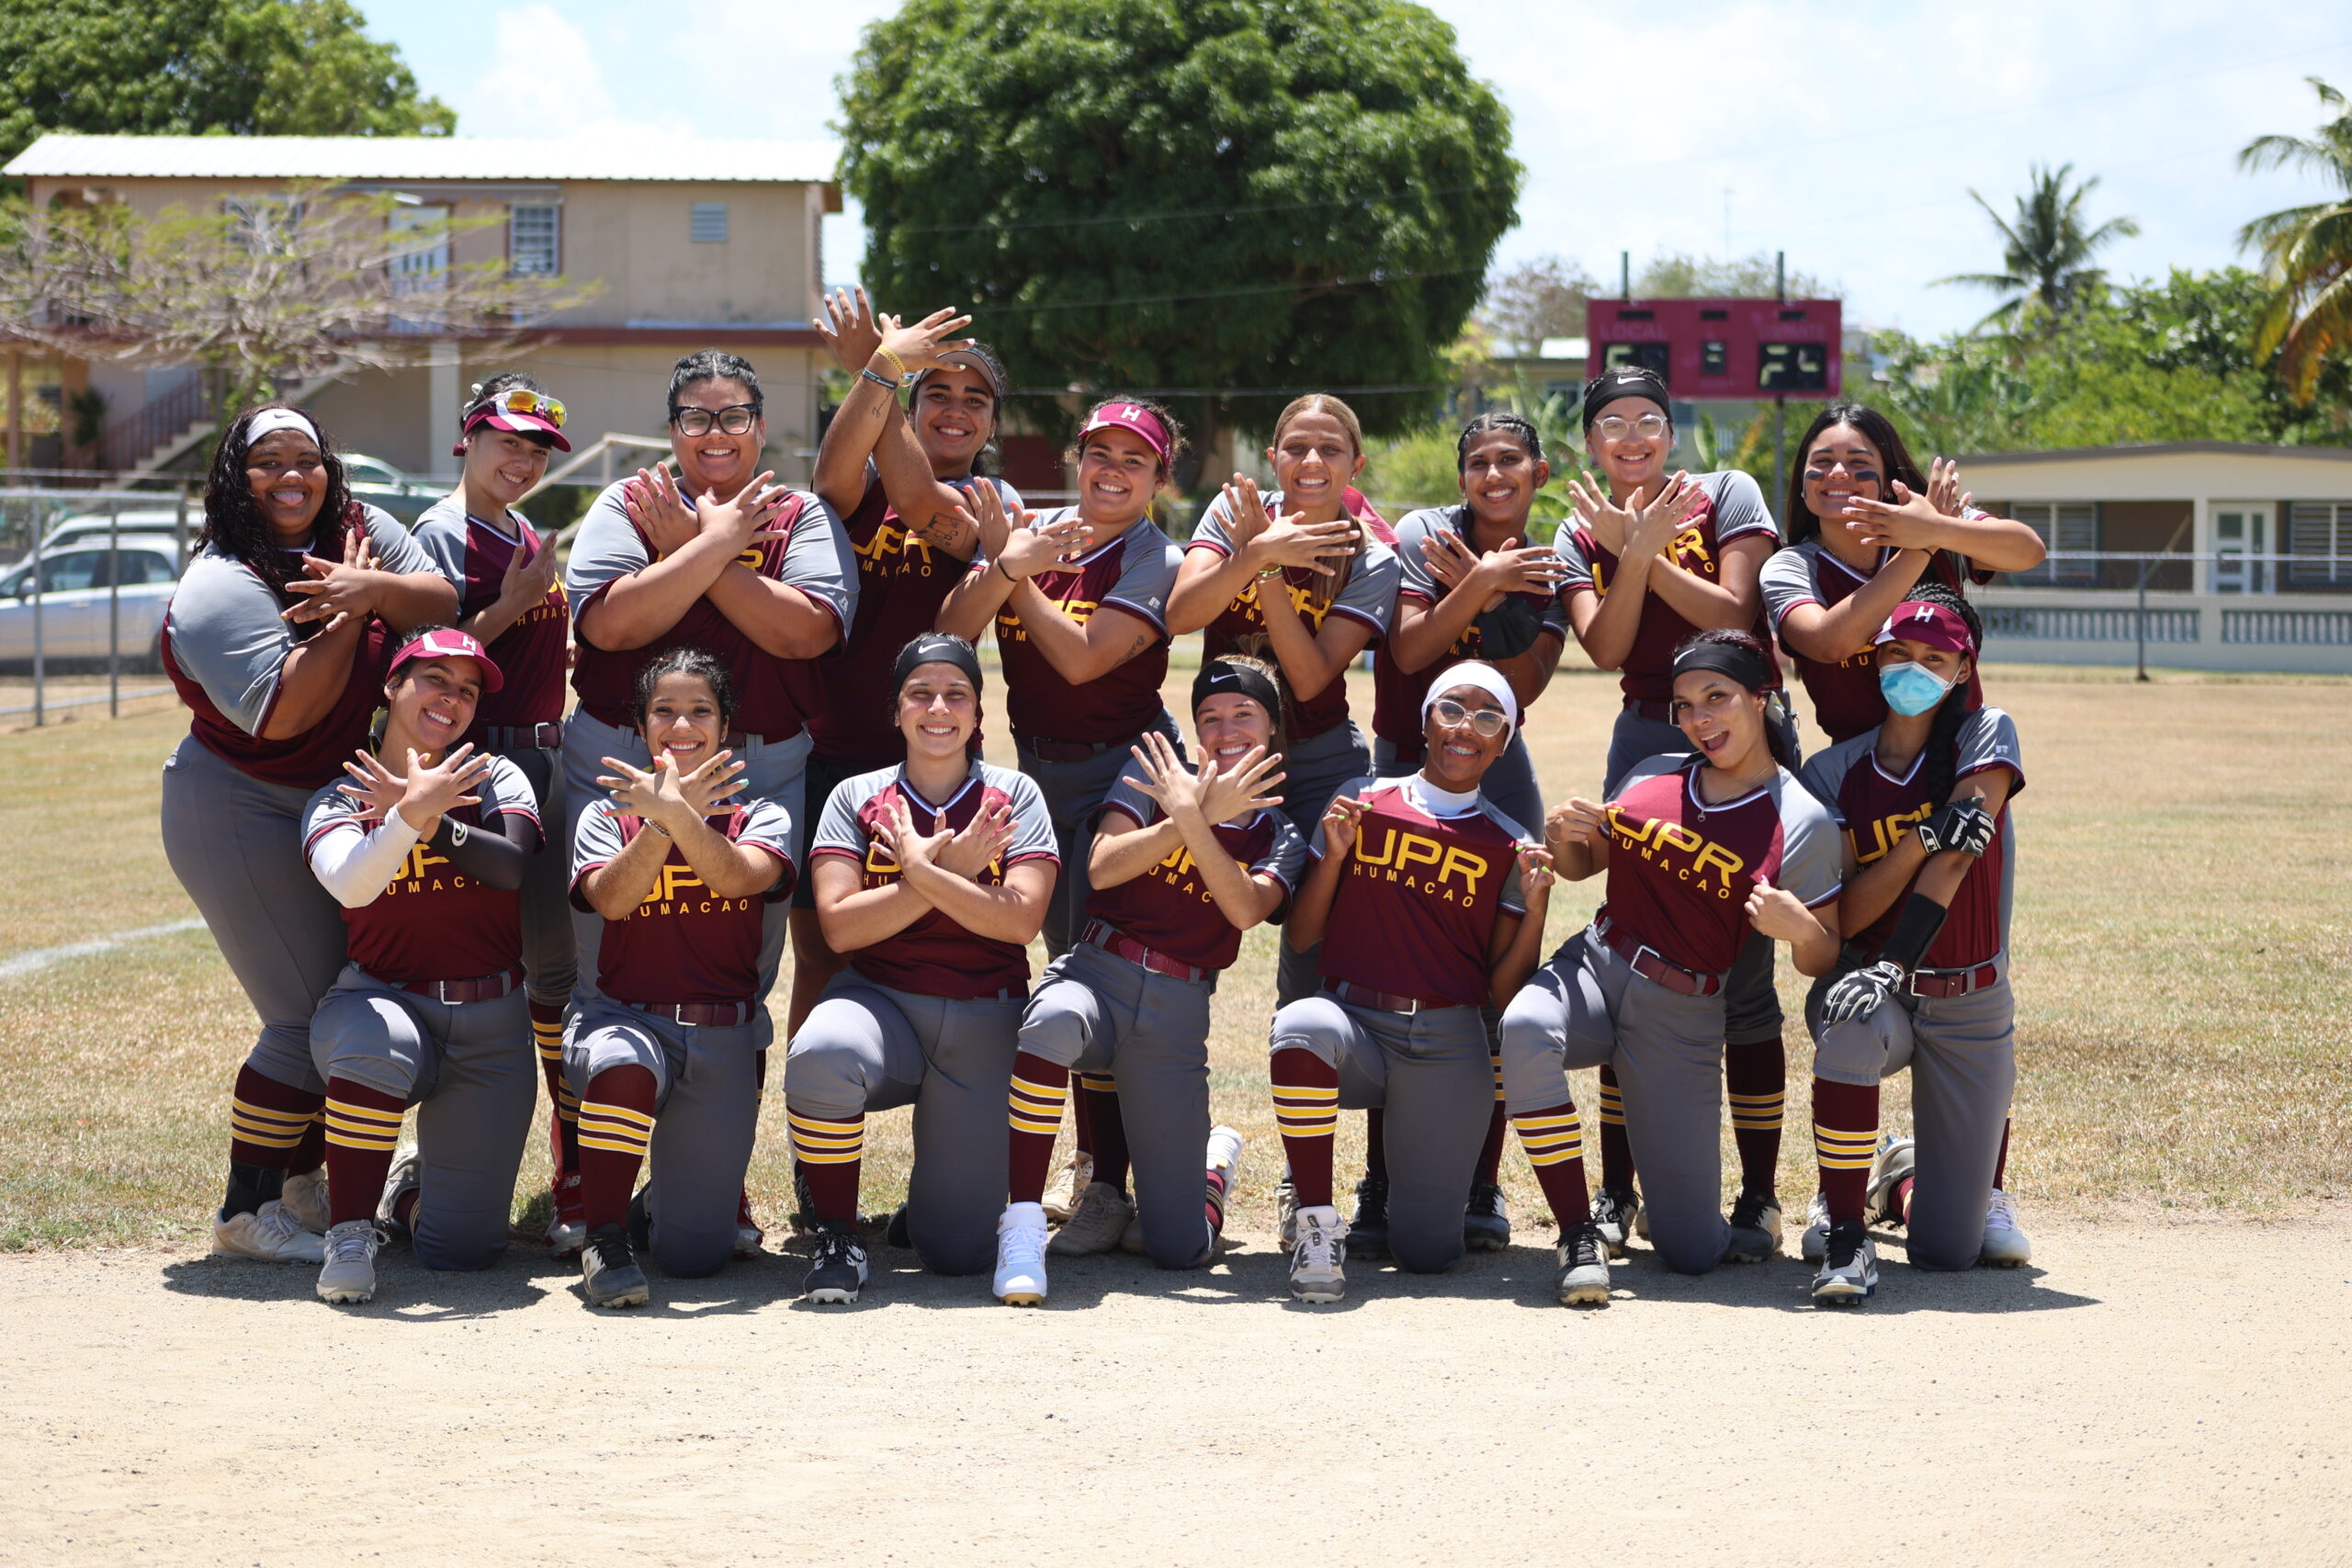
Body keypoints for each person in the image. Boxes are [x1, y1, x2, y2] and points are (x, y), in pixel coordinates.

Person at [563, 349, 855, 1255]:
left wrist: (697, 546)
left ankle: (713, 1180)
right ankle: (586, 1187)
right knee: (602, 973)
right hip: (624, 756)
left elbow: (805, 631)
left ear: (760, 427)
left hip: (757, 764)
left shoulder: (797, 513)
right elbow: (611, 623)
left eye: (733, 415)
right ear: (672, 429)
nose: (715, 432)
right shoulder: (627, 502)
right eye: (696, 416)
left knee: (739, 978)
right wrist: (719, 546)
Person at [161, 404, 457, 1265]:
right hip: (239, 801)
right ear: (234, 476)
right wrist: (353, 611)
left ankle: (300, 1183)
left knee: (338, 996)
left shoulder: (357, 525)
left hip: (323, 796)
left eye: (307, 458)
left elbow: (441, 597)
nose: (292, 477)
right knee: (304, 1014)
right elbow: (287, 712)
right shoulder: (218, 583)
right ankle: (244, 1209)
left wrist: (371, 589)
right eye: (268, 462)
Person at [1501, 630, 1844, 1300]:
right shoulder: (1654, 772)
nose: (1698, 719)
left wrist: (1800, 927)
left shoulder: (1801, 818)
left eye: (1716, 698)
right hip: (1598, 964)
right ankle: (1577, 1232)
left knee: (1690, 1254)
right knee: (1523, 1027)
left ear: (1761, 697)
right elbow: (1584, 865)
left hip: (1683, 1010)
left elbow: (1823, 953)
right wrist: (1561, 836)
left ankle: (1693, 1209)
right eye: (1685, 705)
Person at [1555, 366, 1792, 1265]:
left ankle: (1760, 1194)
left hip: (1739, 726)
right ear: (1590, 442)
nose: (1631, 436)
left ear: (1671, 430)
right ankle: (1617, 1192)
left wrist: (1645, 549)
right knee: (1637, 963)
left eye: (1648, 419)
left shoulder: (1724, 492)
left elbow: (1734, 615)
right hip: (1647, 733)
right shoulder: (1577, 524)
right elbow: (1607, 644)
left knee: (1745, 968)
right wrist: (1626, 548)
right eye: (1612, 422)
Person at [992, 655, 1303, 1303]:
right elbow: (1103, 866)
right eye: (1210, 717)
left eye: (1244, 714)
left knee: (1177, 1248)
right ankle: (1023, 1224)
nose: (1226, 730)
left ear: (1273, 726)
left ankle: (1209, 1169)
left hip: (1177, 1005)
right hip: (1097, 973)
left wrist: (1197, 819)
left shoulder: (1283, 829)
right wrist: (1188, 808)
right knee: (1050, 1021)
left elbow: (1244, 908)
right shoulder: (1156, 771)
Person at [1351, 412, 1572, 1257]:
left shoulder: (1553, 563)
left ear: (1539, 472)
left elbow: (1520, 687)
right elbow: (1411, 655)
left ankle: (1481, 1177)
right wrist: (1485, 584)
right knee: (1390, 970)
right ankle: (1380, 1178)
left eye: (1511, 460)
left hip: (1497, 769)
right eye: (1478, 462)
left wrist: (1479, 590)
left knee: (1494, 982)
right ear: (1461, 476)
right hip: (1403, 757)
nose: (1494, 475)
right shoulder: (1423, 534)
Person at [785, 634, 1060, 1303]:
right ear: (896, 710)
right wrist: (945, 873)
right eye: (920, 693)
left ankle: (934, 1202)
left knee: (957, 1252)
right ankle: (838, 1237)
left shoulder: (1013, 794)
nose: (938, 707)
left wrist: (922, 873)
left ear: (977, 711)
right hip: (880, 1004)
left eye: (956, 693)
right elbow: (840, 924)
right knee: (821, 1050)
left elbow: (1019, 921)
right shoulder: (857, 794)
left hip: (982, 1012)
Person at [1267, 662, 1552, 1303]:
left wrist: (1534, 909)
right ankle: (1316, 1226)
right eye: (1451, 709)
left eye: (1488, 718)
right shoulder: (1362, 800)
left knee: (1427, 1254)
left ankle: (1413, 1199)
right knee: (1300, 1025)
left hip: (1448, 1042)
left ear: (1504, 742)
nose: (1465, 728)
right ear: (1425, 722)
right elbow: (1303, 936)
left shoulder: (1510, 843)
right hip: (1356, 1026)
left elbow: (1503, 993)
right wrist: (1334, 857)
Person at [1795, 586, 2028, 1301]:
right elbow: (1847, 912)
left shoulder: (1985, 732)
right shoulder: (1833, 771)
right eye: (1899, 651)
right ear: (1876, 657)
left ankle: (1898, 1173)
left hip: (1967, 995)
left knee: (1948, 1251)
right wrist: (1921, 836)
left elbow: (1957, 858)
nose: (1914, 667)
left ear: (1964, 668)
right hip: (1873, 983)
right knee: (1848, 1022)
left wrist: (1898, 956)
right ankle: (1845, 1225)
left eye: (1935, 656)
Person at [795, 290, 1014, 1037]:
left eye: (975, 400)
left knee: (935, 938)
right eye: (938, 391)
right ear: (910, 406)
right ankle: (814, 1104)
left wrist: (877, 364)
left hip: (929, 755)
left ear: (993, 423)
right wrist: (881, 371)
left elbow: (922, 502)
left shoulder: (993, 501)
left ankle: (939, 1082)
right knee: (821, 948)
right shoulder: (864, 483)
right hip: (826, 748)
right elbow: (829, 476)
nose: (956, 410)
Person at [300, 628, 541, 1304]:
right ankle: (349, 1233)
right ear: (392, 685)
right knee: (375, 1041)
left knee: (463, 1251)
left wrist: (423, 818)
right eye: (435, 679)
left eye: (467, 689)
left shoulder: (493, 775)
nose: (451, 698)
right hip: (381, 1001)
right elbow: (353, 885)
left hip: (490, 1018)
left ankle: (403, 1195)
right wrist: (405, 816)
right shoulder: (341, 793)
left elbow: (510, 866)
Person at [564, 649, 796, 1308]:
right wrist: (660, 819)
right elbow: (613, 900)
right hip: (624, 1019)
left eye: (701, 710)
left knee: (694, 1259)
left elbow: (737, 878)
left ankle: (648, 1204)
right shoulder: (605, 816)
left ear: (726, 729)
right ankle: (604, 1240)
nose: (683, 725)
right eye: (664, 710)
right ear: (642, 728)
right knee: (622, 1066)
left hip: (720, 1034)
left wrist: (676, 814)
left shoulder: (764, 815)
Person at [411, 374, 584, 1252]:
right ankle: (428, 1169)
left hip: (543, 757)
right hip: (482, 767)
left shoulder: (518, 529)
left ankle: (574, 1171)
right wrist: (516, 604)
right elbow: (428, 665)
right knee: (475, 969)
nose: (523, 459)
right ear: (469, 436)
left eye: (537, 448)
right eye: (508, 440)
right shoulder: (440, 533)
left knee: (553, 975)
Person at [1168, 393, 1398, 1011]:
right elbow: (1182, 614)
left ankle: (1303, 1037)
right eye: (1296, 447)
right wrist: (1257, 550)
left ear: (1356, 465)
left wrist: (1264, 569)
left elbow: (1310, 678)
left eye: (1331, 449)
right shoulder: (1235, 511)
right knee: (1195, 895)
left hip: (1320, 755)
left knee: (1318, 920)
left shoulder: (1370, 556)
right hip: (1229, 748)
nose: (1312, 460)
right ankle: (1167, 1034)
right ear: (1273, 458)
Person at [937, 399, 1188, 961]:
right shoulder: (1031, 530)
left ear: (1159, 480)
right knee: (1056, 935)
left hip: (1120, 761)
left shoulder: (1157, 557)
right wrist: (1006, 563)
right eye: (1101, 454)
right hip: (1036, 762)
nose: (1113, 470)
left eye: (1134, 460)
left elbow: (1082, 662)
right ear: (1078, 460)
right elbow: (948, 634)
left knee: (1096, 936)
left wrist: (1013, 573)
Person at [1758, 402, 2045, 746]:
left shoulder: (1934, 520)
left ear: (1887, 481)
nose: (1838, 472)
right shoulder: (1789, 566)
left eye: (1859, 462)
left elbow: (2029, 551)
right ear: (1802, 485)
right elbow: (1829, 643)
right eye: (1822, 461)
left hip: (1958, 750)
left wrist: (1937, 529)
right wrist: (1922, 547)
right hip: (1859, 760)